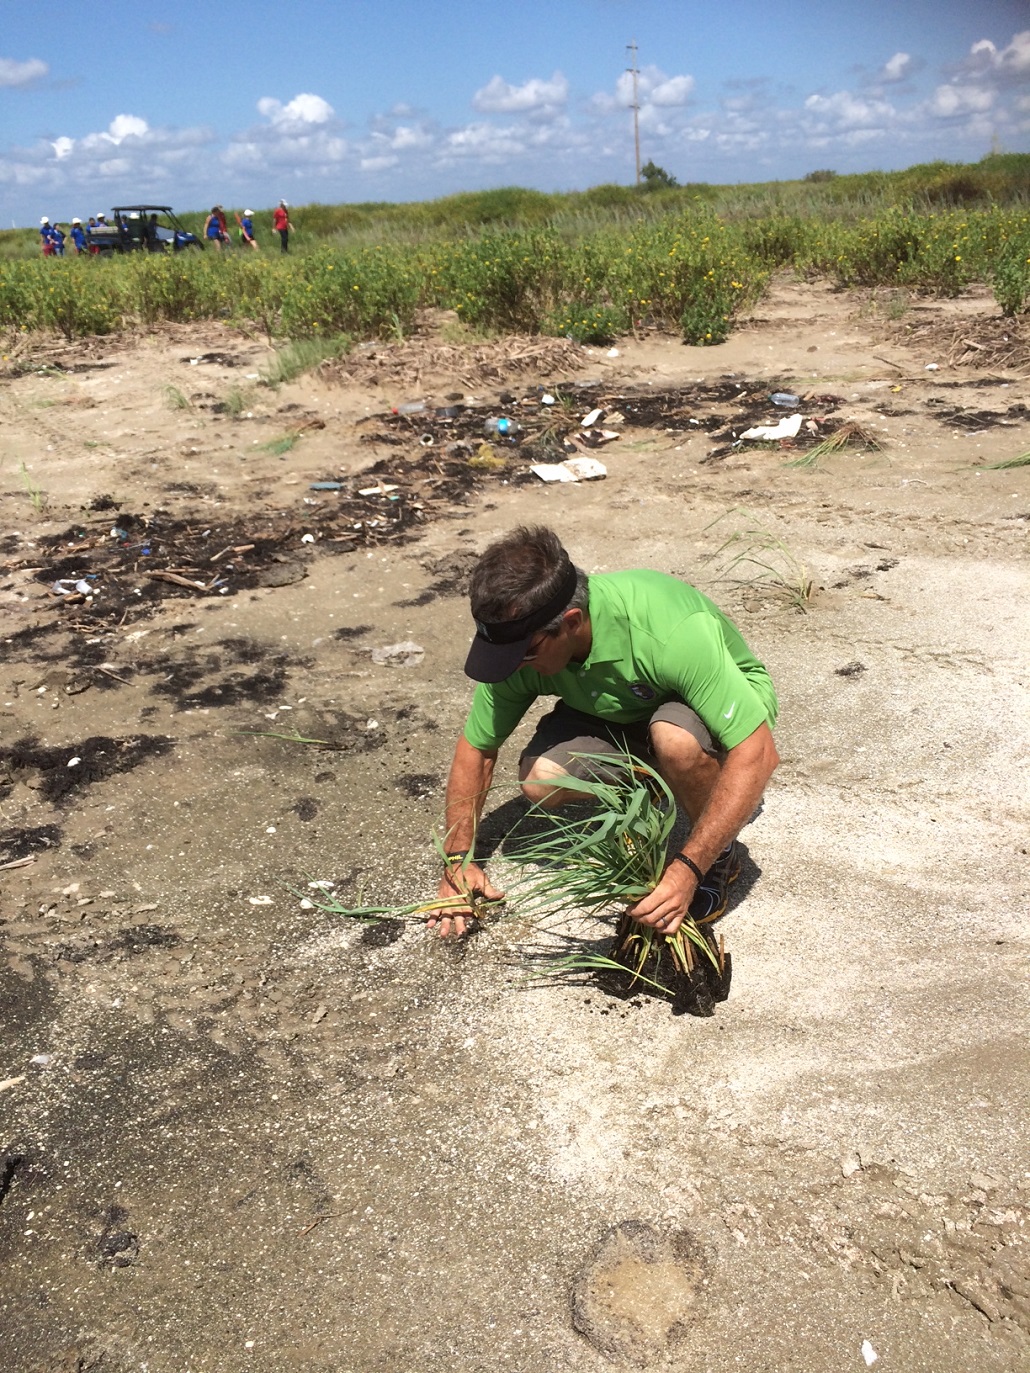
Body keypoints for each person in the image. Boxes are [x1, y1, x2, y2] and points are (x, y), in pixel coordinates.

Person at [427, 525, 780, 938]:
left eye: (525, 653)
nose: (512, 667)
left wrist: (687, 867)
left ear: (571, 622)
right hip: (611, 710)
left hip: (708, 705)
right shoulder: (524, 645)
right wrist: (457, 863)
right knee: (543, 779)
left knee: (676, 742)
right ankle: (659, 783)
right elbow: (477, 750)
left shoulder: (667, 630)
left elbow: (758, 752)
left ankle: (720, 857)